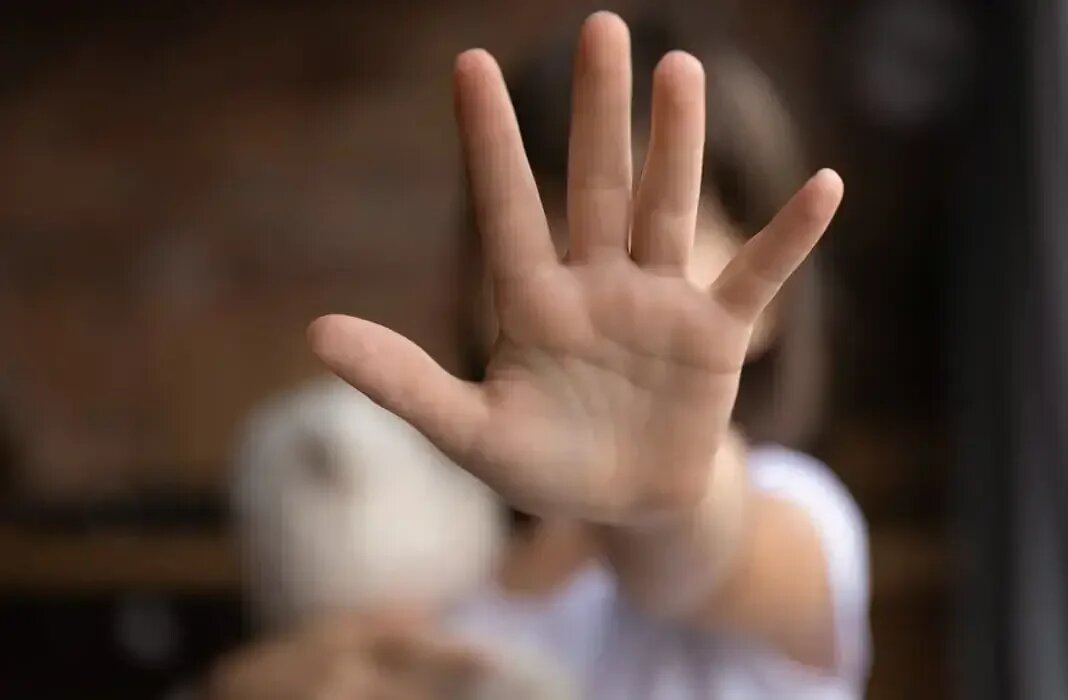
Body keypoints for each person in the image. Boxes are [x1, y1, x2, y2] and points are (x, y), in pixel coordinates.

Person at [213, 10, 870, 699]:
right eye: (547, 209)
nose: (582, 269)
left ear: (771, 300)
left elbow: (703, 557)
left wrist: (657, 495)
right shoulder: (446, 570)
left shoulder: (801, 515)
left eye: (645, 235)